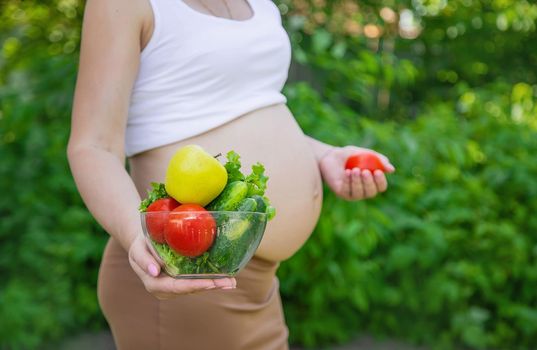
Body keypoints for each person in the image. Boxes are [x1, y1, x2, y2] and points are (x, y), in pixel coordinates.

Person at [67, 0, 395, 349]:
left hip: (254, 280)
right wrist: (140, 238)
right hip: (186, 274)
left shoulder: (260, 4)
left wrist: (324, 155)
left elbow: (249, 106)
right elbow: (92, 146)